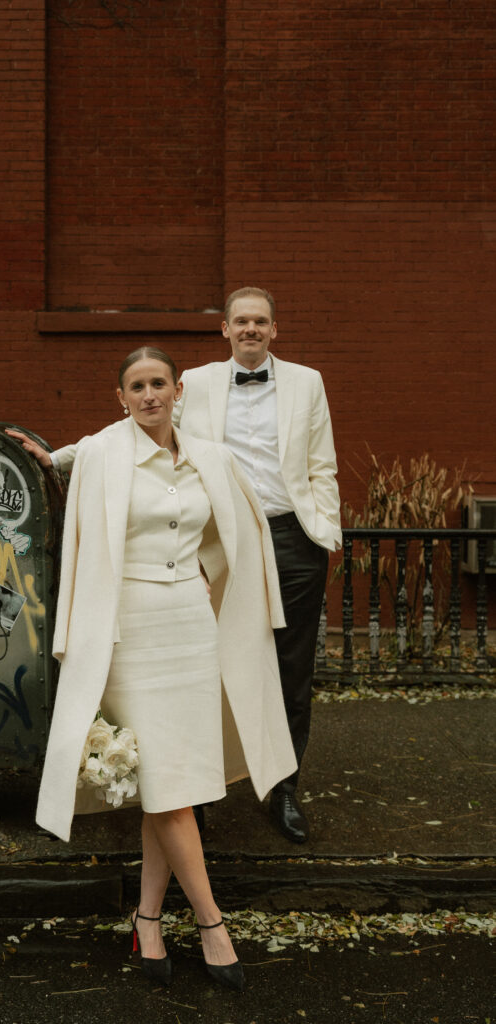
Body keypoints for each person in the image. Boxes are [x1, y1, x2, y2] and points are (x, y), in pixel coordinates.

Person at [7, 347, 296, 990]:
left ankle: (147, 919)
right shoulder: (107, 451)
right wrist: (45, 459)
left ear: (177, 390)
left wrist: (220, 578)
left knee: (174, 786)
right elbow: (76, 456)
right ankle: (212, 923)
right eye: (136, 386)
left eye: (158, 383)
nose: (149, 395)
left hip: (191, 626)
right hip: (129, 632)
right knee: (168, 787)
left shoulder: (209, 457)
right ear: (122, 397)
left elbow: (238, 528)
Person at [172, 287, 341, 844]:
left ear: (275, 329)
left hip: (292, 538)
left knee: (292, 670)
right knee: (206, 664)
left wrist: (325, 533)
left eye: (260, 321)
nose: (251, 329)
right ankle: (196, 793)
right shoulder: (193, 383)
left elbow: (322, 464)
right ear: (224, 329)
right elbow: (140, 424)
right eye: (241, 321)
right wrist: (59, 457)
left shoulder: (306, 382)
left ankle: (284, 788)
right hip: (219, 540)